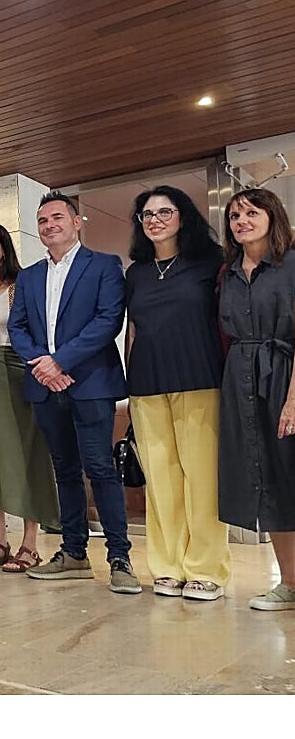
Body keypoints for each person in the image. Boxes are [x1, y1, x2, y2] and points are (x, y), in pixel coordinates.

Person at [7, 191, 140, 594]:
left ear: (76, 222)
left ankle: (120, 558)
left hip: (91, 383)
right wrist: (44, 366)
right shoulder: (29, 276)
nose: (49, 225)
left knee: (100, 469)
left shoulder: (104, 265)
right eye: (42, 220)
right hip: (45, 386)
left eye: (57, 218)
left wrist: (60, 361)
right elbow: (17, 328)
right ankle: (74, 553)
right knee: (64, 471)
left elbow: (108, 320)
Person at [125, 187, 229, 600]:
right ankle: (167, 566)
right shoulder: (136, 273)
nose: (155, 220)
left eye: (164, 212)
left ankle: (206, 569)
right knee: (161, 481)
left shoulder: (211, 261)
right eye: (147, 214)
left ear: (183, 216)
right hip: (147, 384)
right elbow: (133, 330)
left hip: (200, 378)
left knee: (202, 479)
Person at [0, 224, 59, 573]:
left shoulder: (22, 285)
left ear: (5, 247)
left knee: (25, 453)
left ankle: (30, 543)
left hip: (17, 371)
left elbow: (36, 331)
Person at [219, 187, 295, 611]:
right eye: (234, 216)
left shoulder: (291, 264)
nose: (242, 221)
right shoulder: (228, 272)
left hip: (284, 374)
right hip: (241, 380)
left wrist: (293, 399)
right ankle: (290, 583)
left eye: (251, 213)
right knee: (267, 481)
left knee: (290, 473)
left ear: (272, 216)